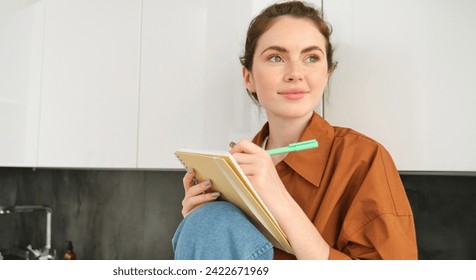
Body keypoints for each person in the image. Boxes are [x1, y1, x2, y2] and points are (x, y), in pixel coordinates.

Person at [172, 1, 417, 260]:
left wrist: (280, 199)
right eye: (276, 57)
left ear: (327, 73)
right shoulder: (231, 172)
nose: (295, 73)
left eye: (311, 57)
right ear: (249, 78)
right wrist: (200, 227)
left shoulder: (364, 159)